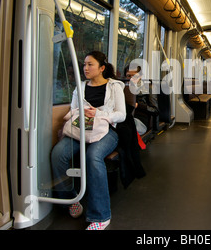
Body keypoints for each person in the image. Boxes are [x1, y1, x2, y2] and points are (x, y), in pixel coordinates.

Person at [51, 51, 126, 230]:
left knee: (92, 156)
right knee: (58, 154)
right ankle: (70, 199)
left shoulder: (114, 87)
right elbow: (74, 109)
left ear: (101, 68)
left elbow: (121, 115)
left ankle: (101, 216)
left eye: (90, 64)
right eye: (84, 64)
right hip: (82, 130)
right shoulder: (80, 86)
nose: (85, 68)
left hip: (106, 131)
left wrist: (99, 114)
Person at [125, 65, 159, 134]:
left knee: (127, 124)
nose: (131, 79)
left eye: (134, 76)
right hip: (124, 117)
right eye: (128, 76)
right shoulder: (122, 88)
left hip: (140, 120)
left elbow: (155, 110)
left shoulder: (148, 87)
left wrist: (138, 105)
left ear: (140, 76)